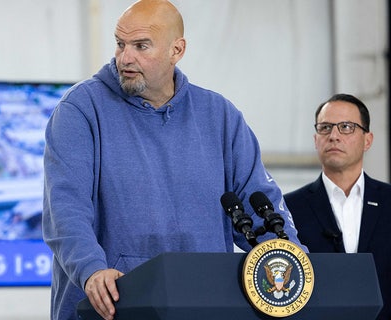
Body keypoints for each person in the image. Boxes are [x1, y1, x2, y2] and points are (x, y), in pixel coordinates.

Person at [42, 1, 306, 319]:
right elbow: (66, 212)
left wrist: (293, 262)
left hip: (206, 305)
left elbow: (260, 205)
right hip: (114, 307)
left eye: (141, 46)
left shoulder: (220, 116)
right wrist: (91, 270)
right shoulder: (80, 110)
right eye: (120, 44)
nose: (125, 57)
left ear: (176, 50)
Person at [284, 93, 391, 320]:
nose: (334, 136)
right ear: (315, 140)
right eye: (325, 128)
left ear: (368, 139)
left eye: (346, 127)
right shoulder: (289, 209)